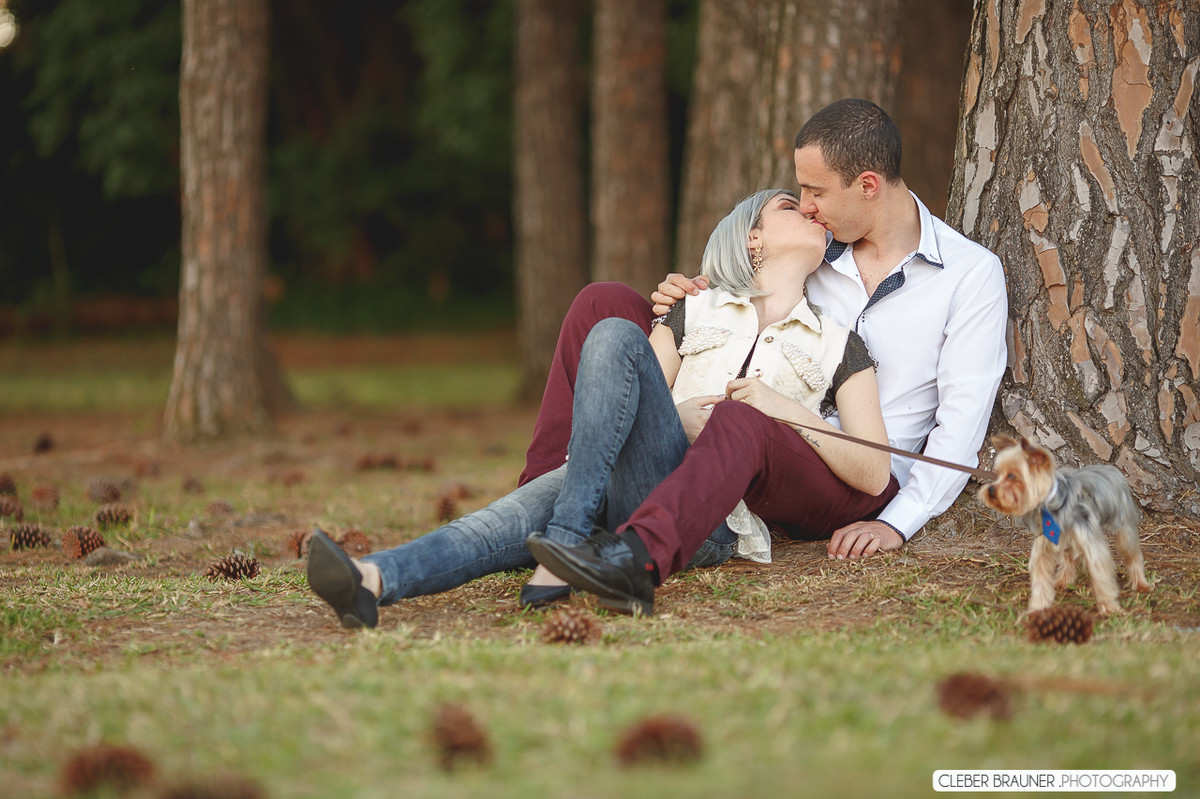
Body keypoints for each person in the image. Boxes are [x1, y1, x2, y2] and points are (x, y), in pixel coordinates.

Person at [306, 188, 891, 627]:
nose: (811, 212)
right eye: (792, 206)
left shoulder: (840, 342)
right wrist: (679, 413)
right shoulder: (696, 310)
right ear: (753, 240)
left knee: (534, 504)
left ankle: (563, 541)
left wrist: (784, 411)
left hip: (710, 521)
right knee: (609, 336)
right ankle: (372, 579)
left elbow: (873, 470)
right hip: (633, 476)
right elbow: (629, 403)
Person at [519, 98, 1008, 572]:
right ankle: (539, 502)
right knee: (603, 303)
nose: (807, 207)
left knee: (741, 418)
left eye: (815, 192)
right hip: (759, 444)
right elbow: (731, 306)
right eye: (801, 194)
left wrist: (896, 524)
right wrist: (686, 292)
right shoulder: (814, 248)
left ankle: (639, 554)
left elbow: (960, 427)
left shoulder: (969, 275)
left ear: (868, 185)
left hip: (851, 470)